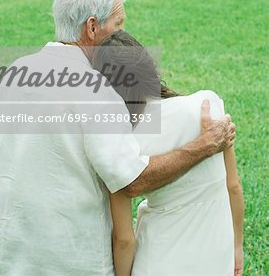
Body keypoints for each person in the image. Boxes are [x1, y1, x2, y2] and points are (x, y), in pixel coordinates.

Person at [0, 0, 236, 276]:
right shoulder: (95, 88)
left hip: (6, 257)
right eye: (118, 24)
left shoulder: (15, 72)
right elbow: (133, 181)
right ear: (92, 27)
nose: (122, 33)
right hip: (67, 263)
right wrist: (205, 145)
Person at [92, 30, 244, 276]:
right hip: (217, 253)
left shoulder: (124, 141)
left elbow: (124, 239)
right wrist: (236, 246)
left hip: (159, 259)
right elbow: (233, 186)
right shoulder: (207, 104)